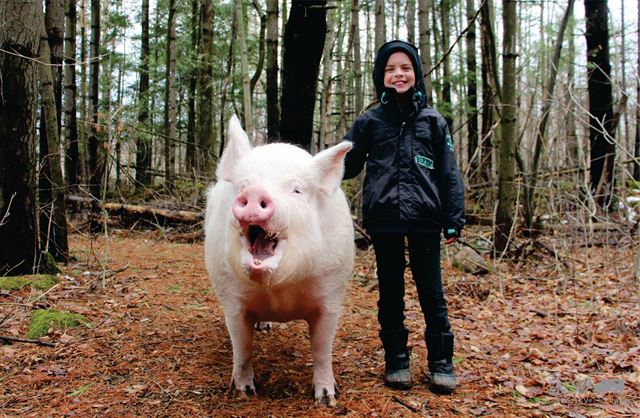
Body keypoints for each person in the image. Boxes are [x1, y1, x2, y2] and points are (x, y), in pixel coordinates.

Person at [342, 40, 465, 393]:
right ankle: (397, 359)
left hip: (426, 218)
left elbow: (448, 173)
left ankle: (441, 361)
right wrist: (317, 172)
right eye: (391, 69)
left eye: (406, 68)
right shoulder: (369, 121)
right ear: (381, 77)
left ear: (416, 74)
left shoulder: (433, 121)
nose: (399, 74)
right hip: (385, 219)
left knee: (432, 292)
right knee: (391, 292)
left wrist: (454, 217)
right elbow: (347, 164)